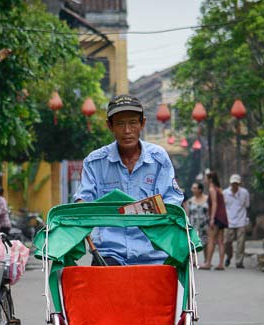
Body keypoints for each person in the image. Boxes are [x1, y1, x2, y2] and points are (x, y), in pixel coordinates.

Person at [74, 94, 184, 265]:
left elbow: (172, 201)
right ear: (110, 126)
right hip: (110, 253)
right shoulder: (95, 162)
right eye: (120, 124)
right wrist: (81, 207)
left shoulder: (158, 158)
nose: (127, 130)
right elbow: (84, 200)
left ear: (142, 123)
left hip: (154, 253)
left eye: (133, 122)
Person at [199, 171, 227, 270]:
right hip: (222, 217)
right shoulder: (219, 189)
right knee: (220, 241)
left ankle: (208, 263)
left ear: (210, 179)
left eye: (206, 178)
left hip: (216, 217)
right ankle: (221, 264)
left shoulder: (212, 189)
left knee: (211, 240)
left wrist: (212, 218)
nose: (204, 180)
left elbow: (214, 204)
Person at [223, 173, 251, 269]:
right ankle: (229, 256)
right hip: (228, 220)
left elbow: (247, 205)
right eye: (233, 183)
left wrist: (246, 220)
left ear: (239, 184)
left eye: (236, 183)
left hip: (241, 220)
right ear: (230, 184)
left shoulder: (244, 193)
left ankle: (239, 262)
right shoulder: (225, 193)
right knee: (227, 242)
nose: (234, 185)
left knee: (241, 243)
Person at [183, 181, 209, 246]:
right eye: (192, 188)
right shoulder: (190, 201)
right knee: (194, 245)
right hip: (194, 226)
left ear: (200, 190)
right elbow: (187, 214)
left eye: (194, 188)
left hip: (205, 225)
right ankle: (195, 256)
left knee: (206, 244)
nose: (192, 190)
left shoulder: (207, 199)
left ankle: (207, 257)